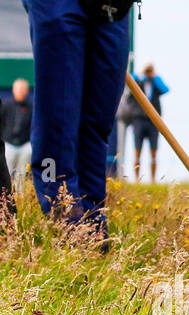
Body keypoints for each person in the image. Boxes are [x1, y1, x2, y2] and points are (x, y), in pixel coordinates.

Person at [23, 0, 134, 236]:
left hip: (113, 7)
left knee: (98, 123)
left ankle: (93, 228)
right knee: (58, 122)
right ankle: (68, 226)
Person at [129, 62, 168, 184]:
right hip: (139, 120)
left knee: (153, 152)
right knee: (137, 151)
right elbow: (130, 80)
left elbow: (165, 89)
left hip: (153, 122)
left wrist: (155, 77)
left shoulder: (156, 85)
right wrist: (141, 74)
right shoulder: (139, 82)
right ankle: (136, 179)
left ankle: (153, 179)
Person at [2, 78, 32, 188]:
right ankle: (4, 198)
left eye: (22, 90)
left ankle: (20, 197)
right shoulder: (6, 105)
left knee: (22, 174)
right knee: (5, 172)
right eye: (18, 90)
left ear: (27, 91)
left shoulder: (31, 107)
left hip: (25, 145)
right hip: (8, 144)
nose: (20, 92)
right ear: (13, 90)